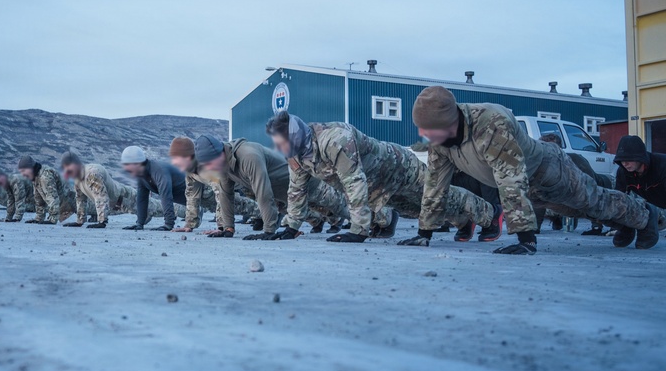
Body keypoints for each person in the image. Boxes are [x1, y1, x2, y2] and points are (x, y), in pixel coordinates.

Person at [409, 86, 659, 254]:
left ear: (451, 121)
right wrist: (424, 233)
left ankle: (644, 216)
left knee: (592, 200)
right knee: (579, 209)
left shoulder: (489, 122)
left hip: (548, 170)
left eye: (433, 130)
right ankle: (626, 223)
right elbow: (435, 185)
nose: (428, 136)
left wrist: (525, 239)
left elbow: (510, 177)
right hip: (532, 189)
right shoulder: (439, 142)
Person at [265, 112, 500, 244]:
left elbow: (353, 184)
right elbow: (296, 190)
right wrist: (291, 226)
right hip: (377, 183)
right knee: (415, 210)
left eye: (281, 141)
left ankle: (491, 215)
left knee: (435, 196)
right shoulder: (296, 153)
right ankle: (463, 221)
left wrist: (359, 230)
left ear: (294, 135)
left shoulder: (335, 140)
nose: (278, 147)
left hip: (397, 166)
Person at [176, 134, 350, 240]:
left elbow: (263, 193)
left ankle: (371, 222)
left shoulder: (248, 155)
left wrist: (269, 230)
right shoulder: (222, 165)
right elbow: (225, 194)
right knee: (319, 213)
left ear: (220, 152)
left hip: (306, 187)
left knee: (343, 208)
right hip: (285, 197)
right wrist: (227, 228)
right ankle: (323, 221)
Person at [538, 132, 607, 235]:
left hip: (603, 184)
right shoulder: (540, 166)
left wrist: (596, 226)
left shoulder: (575, 160)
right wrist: (533, 229)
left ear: (559, 150)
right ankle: (557, 218)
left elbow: (592, 189)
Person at [60, 151, 139, 228]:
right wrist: (80, 221)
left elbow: (101, 197)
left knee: (149, 210)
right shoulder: (77, 178)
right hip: (116, 205)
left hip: (128, 198)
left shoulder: (91, 174)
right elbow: (80, 199)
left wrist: (102, 221)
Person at [613, 135, 666, 246]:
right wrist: (619, 223)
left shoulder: (661, 165)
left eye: (628, 159)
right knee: (618, 200)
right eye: (622, 160)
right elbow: (619, 199)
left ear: (640, 157)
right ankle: (626, 229)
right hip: (653, 201)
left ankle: (650, 225)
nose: (624, 164)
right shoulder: (623, 172)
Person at [120, 146, 185, 231]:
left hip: (198, 200)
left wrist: (168, 224)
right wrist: (140, 223)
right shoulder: (142, 174)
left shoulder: (158, 170)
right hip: (185, 202)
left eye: (128, 165)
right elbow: (142, 198)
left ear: (137, 163)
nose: (126, 169)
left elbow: (166, 196)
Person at [17, 155, 74, 224]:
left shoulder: (45, 176)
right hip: (63, 207)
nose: (23, 174)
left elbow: (53, 198)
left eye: (23, 171)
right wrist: (39, 218)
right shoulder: (35, 177)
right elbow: (39, 199)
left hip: (72, 206)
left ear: (31, 168)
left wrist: (52, 219)